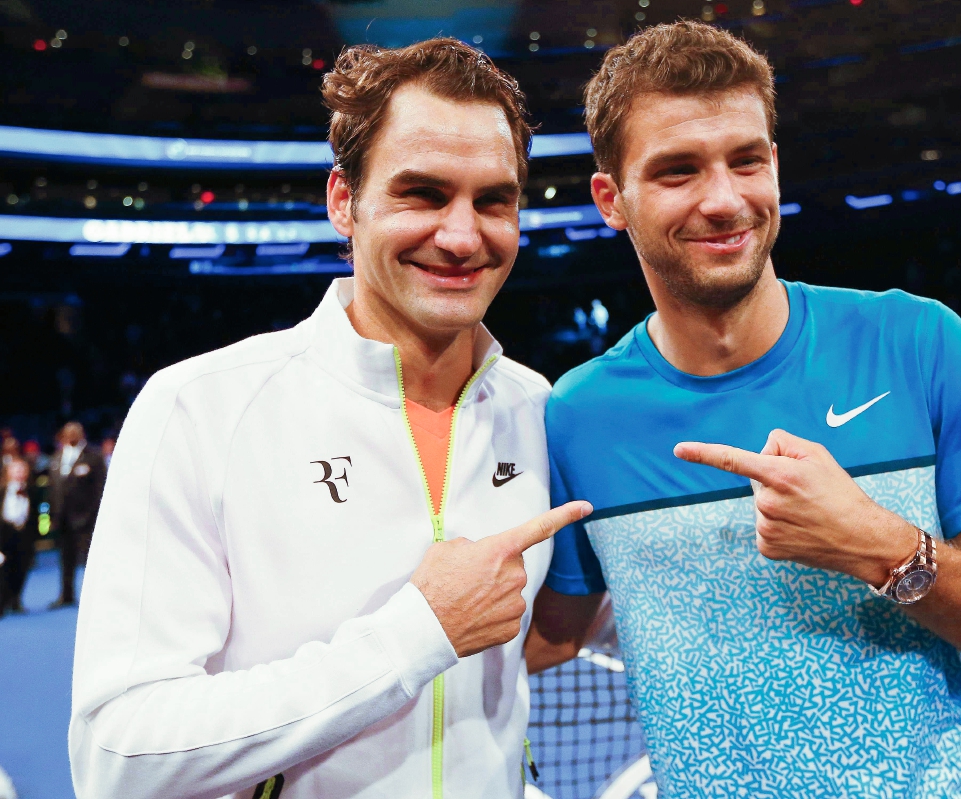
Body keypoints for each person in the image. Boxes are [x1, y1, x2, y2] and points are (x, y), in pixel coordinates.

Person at [526, 21, 961, 798]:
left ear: (775, 167)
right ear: (609, 199)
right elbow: (542, 636)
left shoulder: (917, 341)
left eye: (746, 160)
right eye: (677, 171)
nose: (723, 199)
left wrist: (883, 547)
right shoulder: (577, 416)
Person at [69, 39, 590, 799]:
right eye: (423, 192)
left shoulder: (539, 408)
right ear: (344, 201)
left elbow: (544, 645)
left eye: (492, 200)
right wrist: (415, 633)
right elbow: (117, 756)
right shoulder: (199, 408)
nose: (461, 234)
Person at [47, 422, 106, 608]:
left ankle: (97, 597)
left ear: (82, 434)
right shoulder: (57, 457)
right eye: (67, 433)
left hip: (86, 520)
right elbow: (52, 488)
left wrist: (93, 516)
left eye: (75, 432)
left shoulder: (94, 457)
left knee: (91, 561)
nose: (71, 435)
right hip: (62, 520)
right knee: (66, 560)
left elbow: (100, 489)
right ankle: (66, 595)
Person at [0, 458, 36, 616]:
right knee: (4, 571)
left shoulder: (33, 491)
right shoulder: (2, 491)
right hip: (4, 536)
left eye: (22, 470)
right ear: (8, 472)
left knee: (21, 569)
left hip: (24, 536)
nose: (19, 473)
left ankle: (16, 600)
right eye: (15, 470)